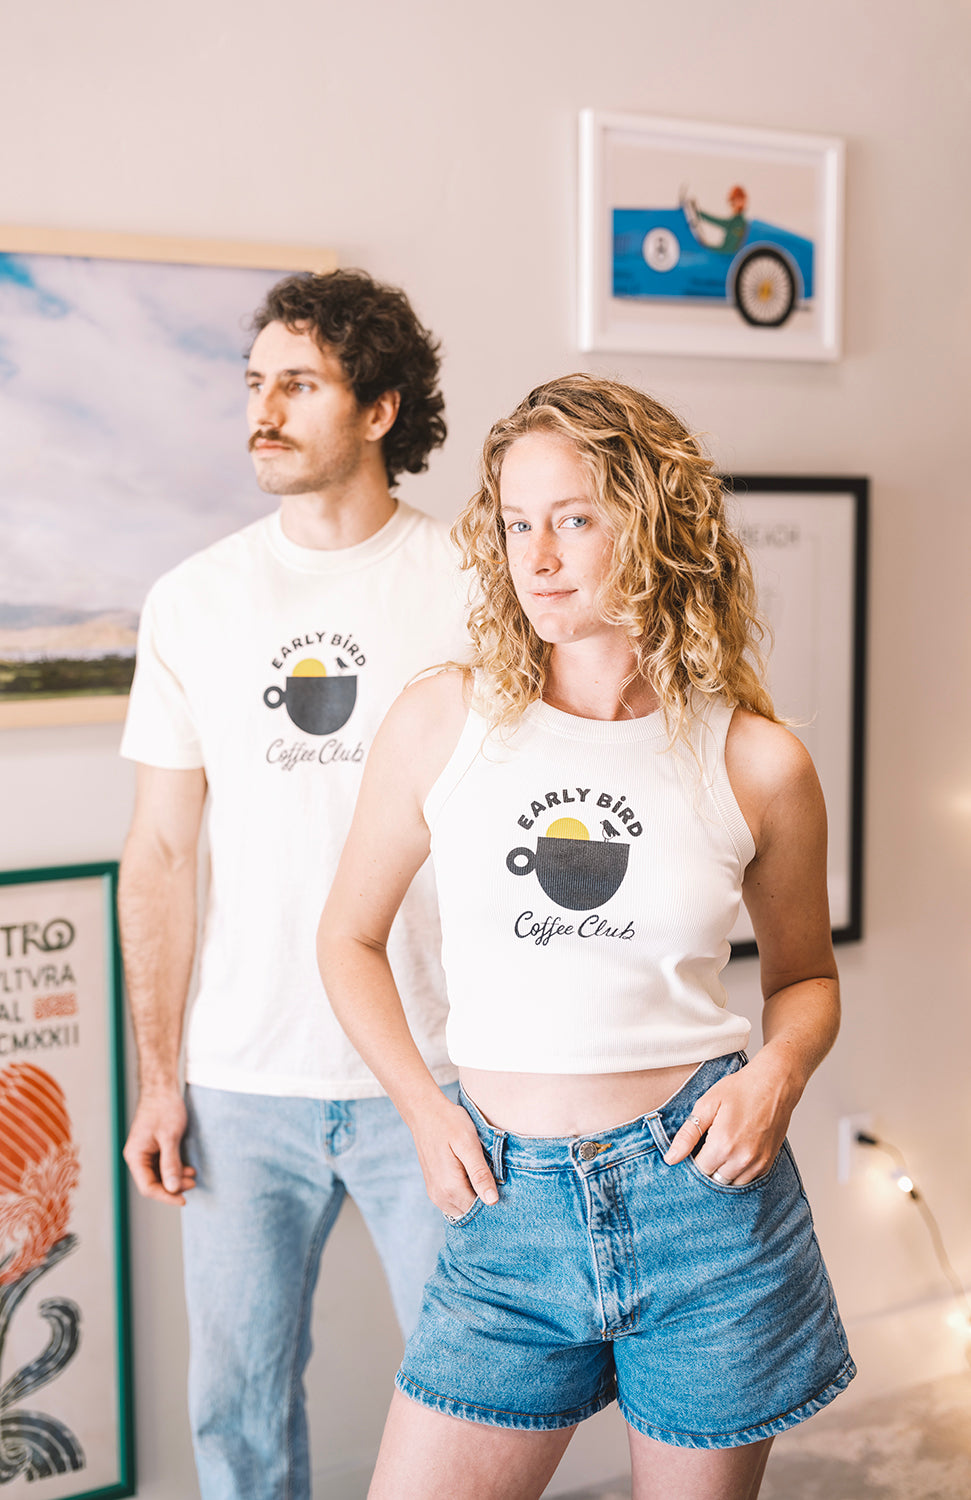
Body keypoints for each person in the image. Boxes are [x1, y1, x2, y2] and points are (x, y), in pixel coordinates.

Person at [318, 374, 856, 1500]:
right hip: (505, 1216)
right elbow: (347, 940)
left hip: (702, 1207)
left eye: (573, 518)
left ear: (653, 525)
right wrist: (424, 1109)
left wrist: (776, 1078)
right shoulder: (445, 721)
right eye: (517, 523)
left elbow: (802, 979)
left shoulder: (756, 761)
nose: (538, 556)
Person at [118, 269, 469, 1500]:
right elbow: (159, 855)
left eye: (298, 385)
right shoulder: (194, 601)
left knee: (474, 1405)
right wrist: (159, 1078)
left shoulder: (476, 587)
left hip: (431, 1073)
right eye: (254, 384)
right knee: (237, 1416)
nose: (262, 411)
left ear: (378, 409)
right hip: (240, 1084)